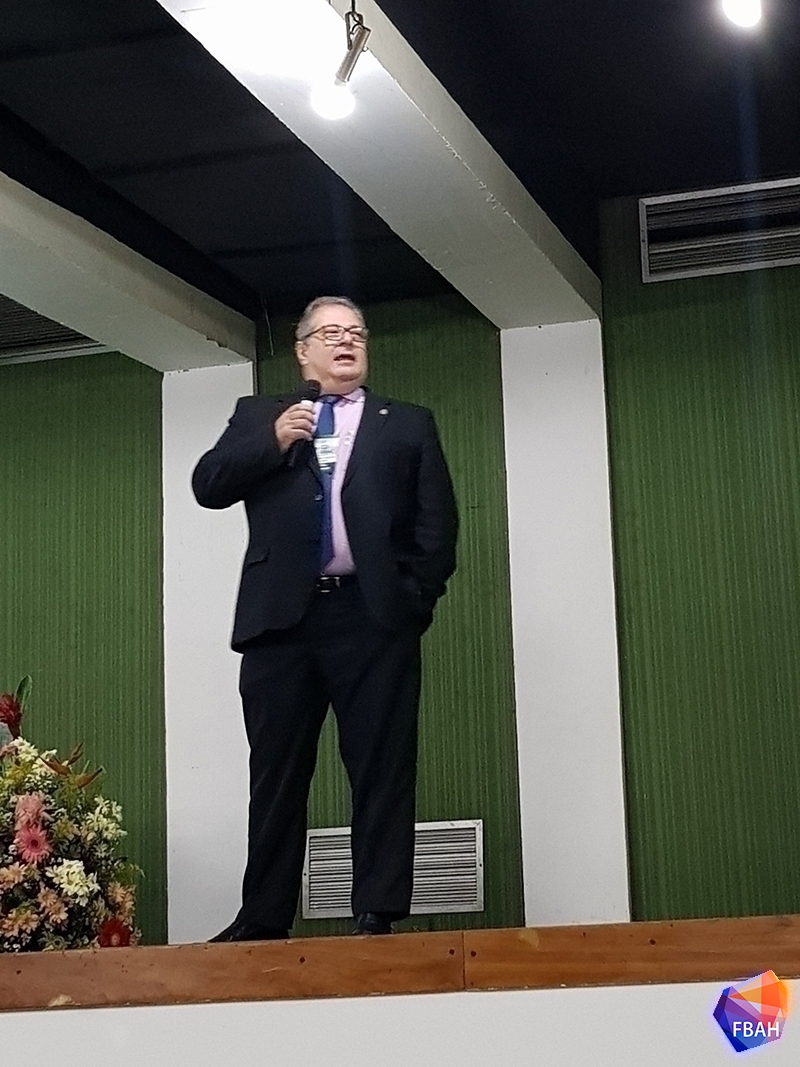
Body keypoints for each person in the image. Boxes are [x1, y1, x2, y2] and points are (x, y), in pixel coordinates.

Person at [192, 295, 458, 940]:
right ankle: (263, 918)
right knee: (276, 772)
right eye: (332, 333)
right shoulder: (260, 414)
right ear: (302, 350)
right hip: (280, 621)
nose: (347, 342)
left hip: (372, 616)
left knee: (380, 765)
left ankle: (376, 911)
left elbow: (437, 526)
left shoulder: (407, 423)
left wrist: (410, 602)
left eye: (356, 332)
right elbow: (209, 484)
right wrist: (273, 439)